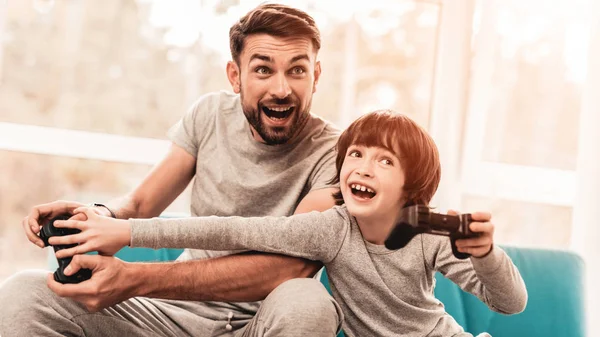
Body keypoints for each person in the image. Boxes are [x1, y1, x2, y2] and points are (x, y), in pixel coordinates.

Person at [0, 4, 344, 337]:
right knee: (23, 294)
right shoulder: (209, 114)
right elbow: (139, 205)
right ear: (235, 76)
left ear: (315, 76)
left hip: (262, 321)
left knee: (307, 300)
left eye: (297, 70)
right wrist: (96, 214)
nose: (281, 89)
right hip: (171, 313)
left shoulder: (337, 153)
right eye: (263, 70)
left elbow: (291, 267)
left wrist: (136, 278)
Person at [48, 110, 528, 337]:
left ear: (412, 186)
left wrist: (486, 254)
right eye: (356, 154)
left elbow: (510, 303)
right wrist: (127, 232)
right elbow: (228, 231)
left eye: (384, 161)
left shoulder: (429, 231)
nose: (361, 167)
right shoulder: (330, 228)